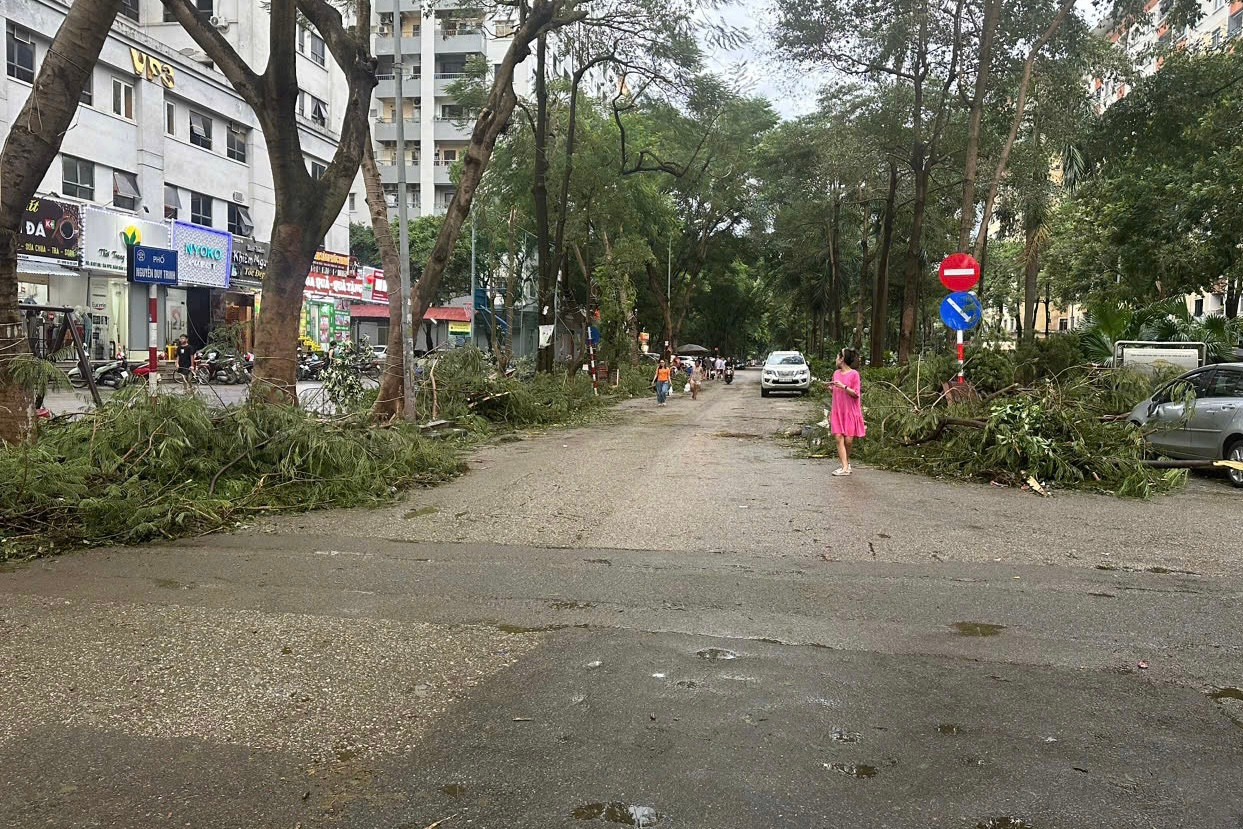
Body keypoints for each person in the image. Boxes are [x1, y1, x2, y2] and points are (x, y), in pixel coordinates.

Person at [828, 348, 866, 476]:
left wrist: (843, 386)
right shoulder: (836, 373)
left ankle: (846, 463)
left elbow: (856, 394)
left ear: (842, 359)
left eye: (837, 357)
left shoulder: (854, 374)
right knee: (838, 437)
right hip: (837, 411)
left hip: (850, 411)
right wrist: (831, 388)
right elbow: (836, 392)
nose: (835, 359)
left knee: (848, 441)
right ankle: (844, 467)